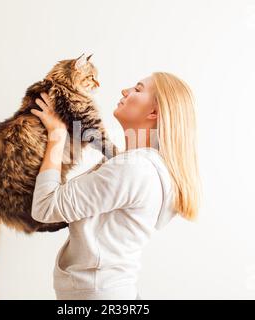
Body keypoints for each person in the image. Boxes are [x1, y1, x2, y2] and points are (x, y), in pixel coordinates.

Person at [30, 72, 201, 300]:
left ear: (153, 112)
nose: (125, 91)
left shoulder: (134, 169)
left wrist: (57, 136)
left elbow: (44, 207)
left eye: (138, 89)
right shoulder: (142, 166)